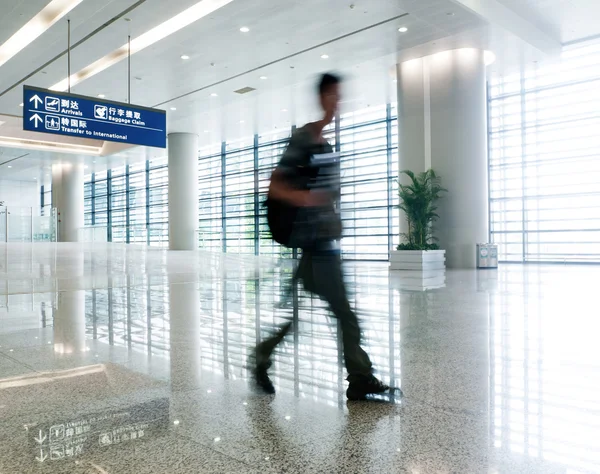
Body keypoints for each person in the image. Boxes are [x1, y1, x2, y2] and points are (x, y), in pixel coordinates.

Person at [253, 73, 393, 401]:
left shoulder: (324, 142)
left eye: (340, 97)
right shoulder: (304, 137)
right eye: (333, 96)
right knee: (344, 313)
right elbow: (276, 184)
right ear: (321, 97)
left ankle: (262, 356)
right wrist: (305, 199)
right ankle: (359, 377)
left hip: (321, 244)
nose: (338, 102)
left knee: (304, 317)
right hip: (315, 245)